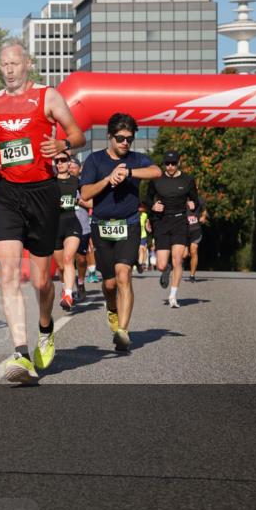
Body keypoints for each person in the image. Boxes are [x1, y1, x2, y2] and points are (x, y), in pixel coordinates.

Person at [0, 39, 86, 383]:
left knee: (42, 281)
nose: (9, 70)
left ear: (27, 64)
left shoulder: (48, 96)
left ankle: (45, 326)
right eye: (4, 65)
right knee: (8, 274)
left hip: (43, 192)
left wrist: (62, 144)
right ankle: (20, 353)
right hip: (7, 194)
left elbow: (77, 134)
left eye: (14, 63)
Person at [80, 113, 161, 352]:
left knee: (124, 274)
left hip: (130, 224)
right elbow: (84, 194)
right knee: (110, 284)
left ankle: (123, 332)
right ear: (110, 137)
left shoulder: (136, 160)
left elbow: (156, 171)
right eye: (120, 138)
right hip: (102, 226)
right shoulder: (95, 161)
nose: (125, 143)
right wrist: (108, 179)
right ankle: (112, 309)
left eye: (129, 138)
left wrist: (129, 173)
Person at [148, 150, 199, 309]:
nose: (170, 166)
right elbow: (147, 199)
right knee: (162, 265)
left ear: (178, 162)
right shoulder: (156, 180)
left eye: (173, 163)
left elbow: (195, 200)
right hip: (162, 221)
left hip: (179, 221)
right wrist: (152, 206)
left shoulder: (188, 180)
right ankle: (166, 269)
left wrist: (193, 205)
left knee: (178, 259)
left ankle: (173, 296)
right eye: (167, 164)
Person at [53, 153, 83, 312]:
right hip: (55, 227)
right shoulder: (50, 182)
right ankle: (66, 286)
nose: (59, 163)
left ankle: (69, 295)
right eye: (57, 161)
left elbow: (89, 198)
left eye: (63, 160)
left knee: (68, 258)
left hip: (72, 222)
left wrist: (80, 201)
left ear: (68, 162)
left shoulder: (76, 181)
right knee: (61, 266)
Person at [69, 157, 91, 301]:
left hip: (82, 226)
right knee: (66, 260)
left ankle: (81, 282)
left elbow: (92, 204)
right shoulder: (59, 184)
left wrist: (77, 201)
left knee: (81, 260)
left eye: (73, 166)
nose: (70, 168)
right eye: (68, 165)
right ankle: (68, 288)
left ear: (80, 169)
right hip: (64, 227)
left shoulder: (85, 185)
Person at [185, 195, 208, 282]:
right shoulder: (181, 197)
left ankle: (192, 275)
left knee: (194, 250)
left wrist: (203, 216)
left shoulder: (199, 199)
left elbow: (204, 210)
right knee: (184, 255)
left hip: (196, 229)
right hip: (184, 230)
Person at [137, 204, 150, 273]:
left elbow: (147, 225)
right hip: (135, 235)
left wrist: (149, 229)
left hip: (143, 235)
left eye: (142, 209)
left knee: (142, 249)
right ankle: (140, 263)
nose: (140, 210)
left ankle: (140, 264)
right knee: (140, 250)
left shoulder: (145, 215)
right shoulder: (134, 215)